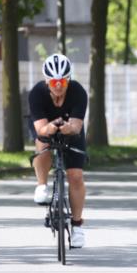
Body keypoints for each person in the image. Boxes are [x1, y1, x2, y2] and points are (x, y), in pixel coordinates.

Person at [29, 53, 88, 248]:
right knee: (42, 143)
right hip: (45, 126)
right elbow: (41, 129)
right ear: (47, 81)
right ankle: (42, 185)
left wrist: (67, 128)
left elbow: (77, 126)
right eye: (54, 81)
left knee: (76, 176)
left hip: (71, 129)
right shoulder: (37, 93)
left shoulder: (78, 92)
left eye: (62, 80)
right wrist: (52, 127)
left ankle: (78, 226)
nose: (58, 85)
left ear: (68, 79)